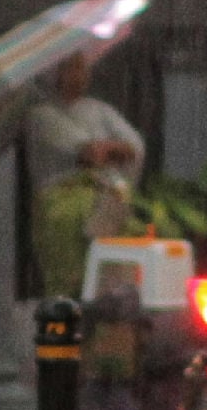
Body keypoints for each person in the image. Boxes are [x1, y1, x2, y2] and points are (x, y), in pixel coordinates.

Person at [24, 52, 145, 301]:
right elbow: (89, 153)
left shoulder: (100, 110)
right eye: (71, 68)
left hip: (108, 201)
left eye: (82, 68)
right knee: (69, 285)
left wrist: (111, 151)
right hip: (62, 208)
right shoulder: (41, 116)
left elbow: (134, 147)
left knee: (116, 275)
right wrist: (113, 150)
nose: (79, 76)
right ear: (54, 74)